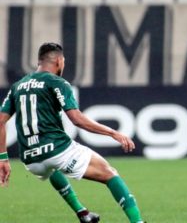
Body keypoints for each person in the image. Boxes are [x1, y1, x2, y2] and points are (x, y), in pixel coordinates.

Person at [0, 43, 144, 223]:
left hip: (30, 159)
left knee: (51, 168)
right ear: (59, 61)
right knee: (110, 174)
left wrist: (3, 158)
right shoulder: (57, 82)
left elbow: (0, 122)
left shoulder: (17, 86)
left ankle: (82, 213)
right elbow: (77, 119)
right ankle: (137, 221)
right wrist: (113, 133)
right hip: (57, 150)